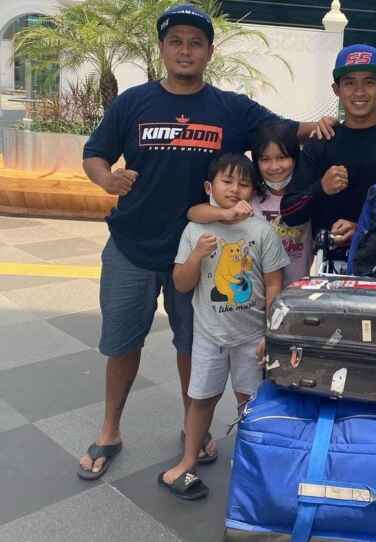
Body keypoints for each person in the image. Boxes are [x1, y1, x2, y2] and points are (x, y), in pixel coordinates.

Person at [78, 3, 333, 480]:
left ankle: (190, 430)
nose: (185, 50)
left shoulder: (230, 108)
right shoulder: (133, 102)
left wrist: (336, 125)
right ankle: (110, 430)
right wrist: (106, 179)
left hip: (206, 254)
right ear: (162, 48)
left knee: (194, 345)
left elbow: (283, 130)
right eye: (175, 41)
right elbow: (94, 154)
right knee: (121, 343)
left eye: (195, 43)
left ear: (209, 52)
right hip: (133, 245)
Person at [158, 153, 288, 500]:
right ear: (208, 187)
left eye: (243, 183)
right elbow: (181, 284)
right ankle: (188, 460)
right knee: (200, 399)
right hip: (209, 336)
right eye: (226, 181)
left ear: (253, 191)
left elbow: (274, 283)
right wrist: (197, 255)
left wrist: (270, 332)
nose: (234, 189)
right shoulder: (195, 230)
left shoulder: (261, 231)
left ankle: (251, 465)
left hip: (252, 338)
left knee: (250, 401)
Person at [281, 44, 376, 263]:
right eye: (349, 83)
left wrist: (362, 229)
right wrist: (320, 188)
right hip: (331, 265)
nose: (359, 92)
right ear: (336, 89)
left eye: (369, 82)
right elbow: (290, 213)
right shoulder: (321, 141)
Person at [188, 122, 312, 285]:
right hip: (253, 291)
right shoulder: (247, 195)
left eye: (282, 158)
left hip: (296, 289)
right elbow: (193, 213)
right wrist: (227, 213)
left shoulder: (306, 196)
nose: (274, 166)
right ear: (256, 161)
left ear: (295, 158)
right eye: (265, 159)